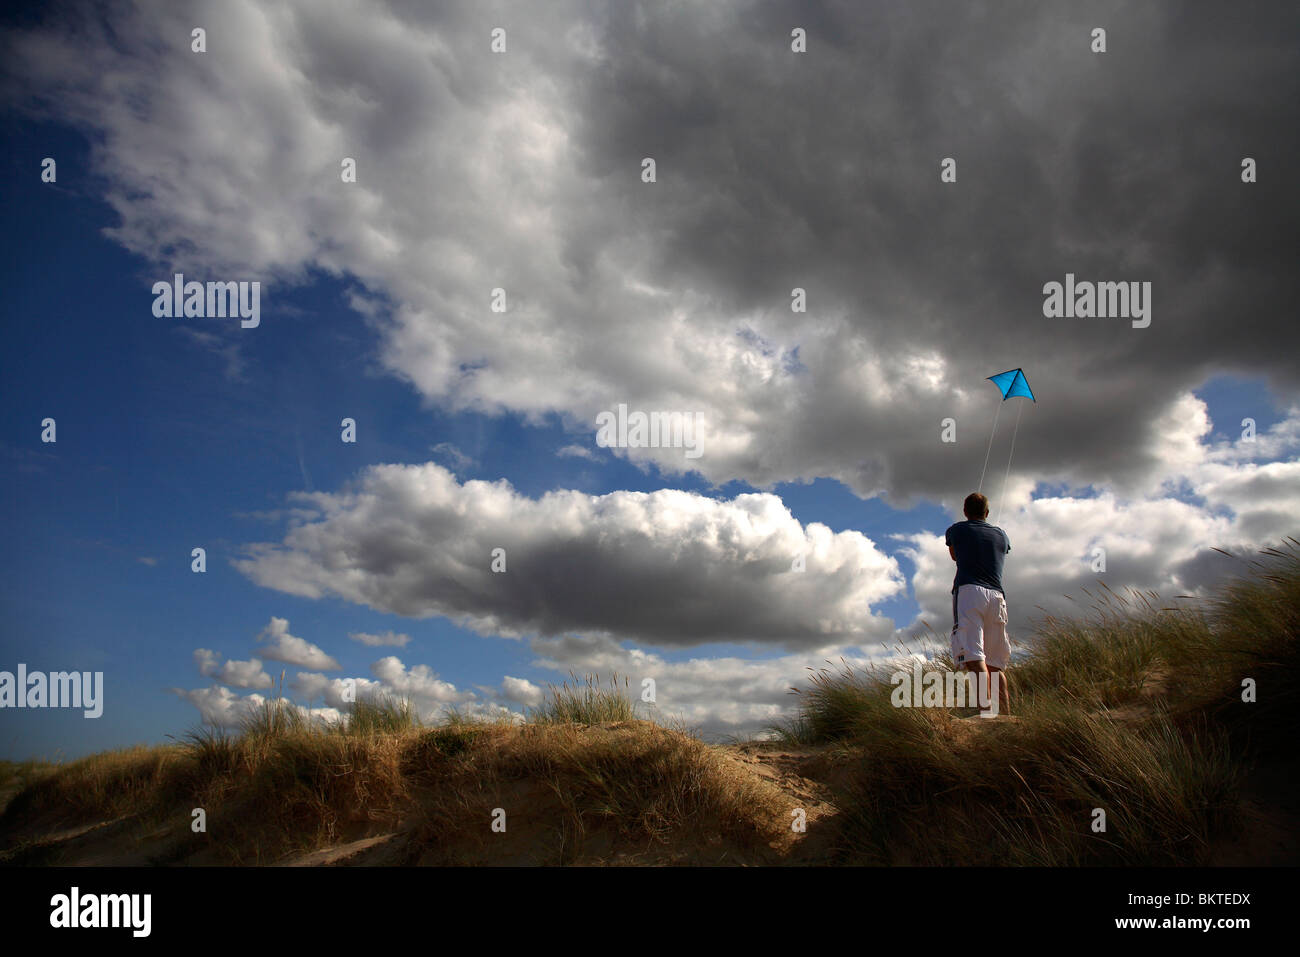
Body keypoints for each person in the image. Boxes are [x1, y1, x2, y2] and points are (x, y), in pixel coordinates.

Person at [945, 492, 1011, 715]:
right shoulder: (1002, 535)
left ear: (965, 511)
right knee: (995, 663)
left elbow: (955, 556)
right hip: (998, 597)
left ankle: (986, 714)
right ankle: (1005, 717)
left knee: (974, 657)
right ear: (987, 513)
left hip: (969, 591)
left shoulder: (956, 530)